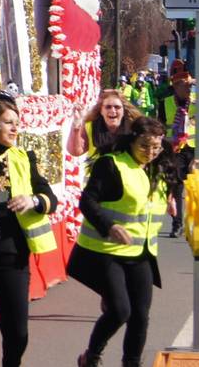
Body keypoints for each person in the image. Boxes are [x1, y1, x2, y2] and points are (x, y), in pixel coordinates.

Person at [69, 116, 176, 367]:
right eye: (144, 146)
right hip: (106, 251)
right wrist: (110, 225)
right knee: (120, 310)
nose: (150, 152)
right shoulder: (112, 164)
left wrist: (171, 195)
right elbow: (87, 201)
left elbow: (173, 177)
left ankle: (132, 363)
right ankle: (91, 356)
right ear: (131, 141)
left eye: (156, 147)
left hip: (140, 253)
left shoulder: (158, 165)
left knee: (140, 316)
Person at [0, 90, 58, 367]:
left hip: (12, 255)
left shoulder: (24, 157)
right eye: (8, 122)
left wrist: (33, 200)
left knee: (17, 331)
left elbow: (50, 198)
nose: (16, 127)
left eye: (17, 121)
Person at [161, 59, 195, 237]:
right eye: (184, 85)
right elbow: (159, 128)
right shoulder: (165, 102)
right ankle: (177, 224)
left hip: (194, 149)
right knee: (177, 187)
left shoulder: (196, 102)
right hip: (175, 150)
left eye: (189, 85)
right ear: (175, 86)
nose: (188, 89)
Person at [68, 88, 141, 159]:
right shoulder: (90, 126)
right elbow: (76, 151)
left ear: (123, 111)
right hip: (98, 170)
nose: (113, 110)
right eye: (108, 107)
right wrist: (76, 126)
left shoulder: (134, 128)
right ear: (101, 111)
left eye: (117, 107)